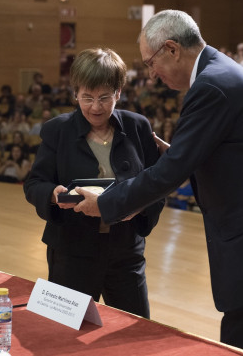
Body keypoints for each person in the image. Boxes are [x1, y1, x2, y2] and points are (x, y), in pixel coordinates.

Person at [71, 10, 243, 356]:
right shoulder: (218, 73)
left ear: (172, 49)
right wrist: (179, 155)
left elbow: (171, 173)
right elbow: (216, 157)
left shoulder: (211, 86)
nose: (151, 75)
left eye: (151, 63)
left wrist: (106, 204)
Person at [23, 47, 165, 319]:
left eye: (104, 97)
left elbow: (156, 185)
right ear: (75, 93)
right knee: (65, 334)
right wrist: (53, 194)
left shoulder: (138, 127)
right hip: (72, 251)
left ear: (118, 93)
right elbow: (34, 184)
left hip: (125, 251)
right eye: (87, 97)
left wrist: (140, 207)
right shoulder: (57, 130)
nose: (96, 107)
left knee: (133, 332)